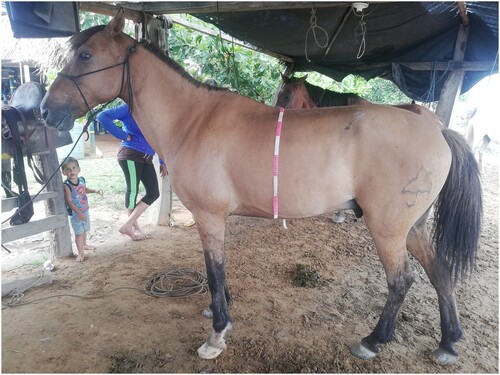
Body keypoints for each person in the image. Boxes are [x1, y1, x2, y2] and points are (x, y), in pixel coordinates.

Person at [96, 103, 167, 241]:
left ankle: (129, 225)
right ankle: (134, 228)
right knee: (133, 191)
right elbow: (102, 116)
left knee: (153, 193)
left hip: (147, 158)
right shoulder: (130, 106)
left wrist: (163, 162)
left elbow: (158, 139)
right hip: (130, 154)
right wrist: (122, 135)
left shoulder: (155, 109)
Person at [62, 157, 103, 262]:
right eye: (68, 169)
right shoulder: (67, 185)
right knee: (79, 233)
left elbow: (84, 190)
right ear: (63, 172)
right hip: (76, 213)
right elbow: (69, 201)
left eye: (74, 168)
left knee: (84, 230)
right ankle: (80, 253)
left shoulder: (81, 180)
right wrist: (78, 213)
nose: (71, 171)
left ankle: (84, 245)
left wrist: (95, 191)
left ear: (79, 169)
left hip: (85, 210)